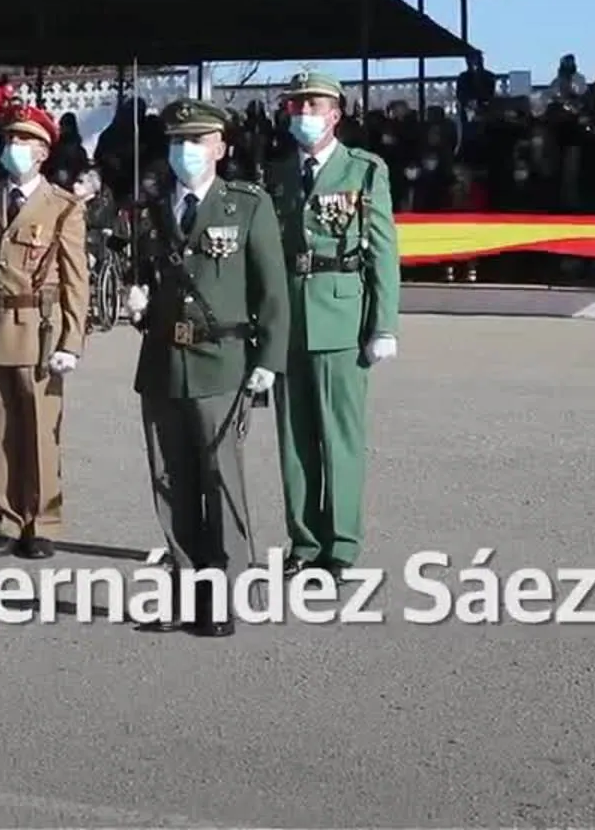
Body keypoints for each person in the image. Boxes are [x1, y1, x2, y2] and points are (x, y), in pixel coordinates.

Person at [124, 99, 288, 637]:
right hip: (163, 362)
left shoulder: (247, 204)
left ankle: (225, 595)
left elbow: (272, 292)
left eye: (196, 142)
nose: (185, 152)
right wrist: (138, 295)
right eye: (176, 143)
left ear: (220, 148)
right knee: (170, 479)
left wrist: (267, 361)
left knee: (221, 481)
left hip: (222, 361)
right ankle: (182, 589)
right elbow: (144, 271)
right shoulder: (150, 208)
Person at [267, 72, 400, 580]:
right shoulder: (276, 174)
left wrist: (383, 324)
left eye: (313, 104)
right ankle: (303, 541)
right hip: (288, 318)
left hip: (342, 315)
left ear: (335, 113)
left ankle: (341, 543)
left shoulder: (363, 170)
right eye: (296, 104)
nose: (303, 113)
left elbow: (383, 252)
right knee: (295, 437)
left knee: (339, 436)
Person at [0, 102, 88, 560]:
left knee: (41, 433)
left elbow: (76, 277)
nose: (14, 148)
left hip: (40, 330)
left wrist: (72, 341)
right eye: (11, 140)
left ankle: (42, 521)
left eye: (24, 141)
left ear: (43, 152)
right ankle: (7, 517)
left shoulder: (61, 207)